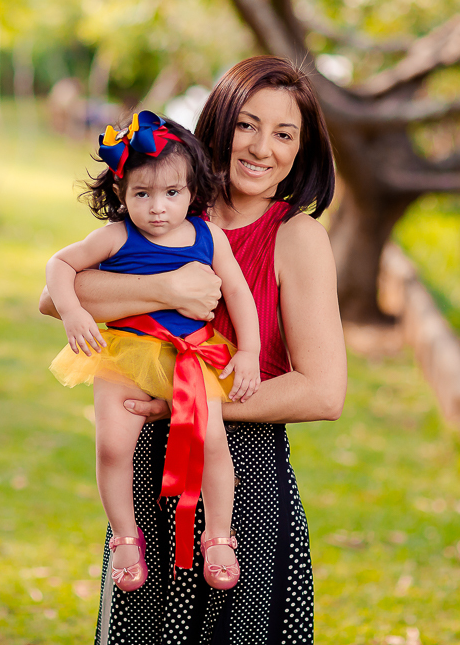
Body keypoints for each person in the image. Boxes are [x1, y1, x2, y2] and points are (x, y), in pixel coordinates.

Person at [41, 56, 347, 644]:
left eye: (285, 134)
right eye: (247, 125)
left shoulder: (297, 237)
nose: (262, 148)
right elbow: (55, 297)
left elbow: (322, 391)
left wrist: (185, 405)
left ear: (301, 150)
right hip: (146, 478)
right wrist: (163, 288)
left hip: (244, 485)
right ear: (220, 123)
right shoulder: (170, 204)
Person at [46, 110, 262, 593]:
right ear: (121, 194)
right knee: (112, 445)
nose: (158, 208)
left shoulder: (209, 237)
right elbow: (60, 263)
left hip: (192, 356)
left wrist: (249, 351)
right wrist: (74, 312)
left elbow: (240, 295)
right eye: (142, 194)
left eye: (172, 193)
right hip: (123, 352)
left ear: (193, 191)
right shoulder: (118, 236)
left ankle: (219, 535)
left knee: (211, 441)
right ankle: (125, 535)